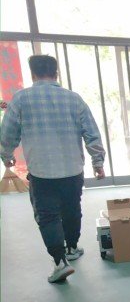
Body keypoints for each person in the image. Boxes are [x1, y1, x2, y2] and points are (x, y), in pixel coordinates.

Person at [0, 54, 105, 283]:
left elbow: (7, 133)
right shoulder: (74, 99)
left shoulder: (21, 99)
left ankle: (60, 262)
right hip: (72, 169)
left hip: (42, 172)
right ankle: (72, 247)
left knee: (47, 216)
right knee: (72, 208)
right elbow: (91, 132)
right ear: (56, 73)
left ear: (33, 74)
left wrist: (6, 156)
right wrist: (98, 162)